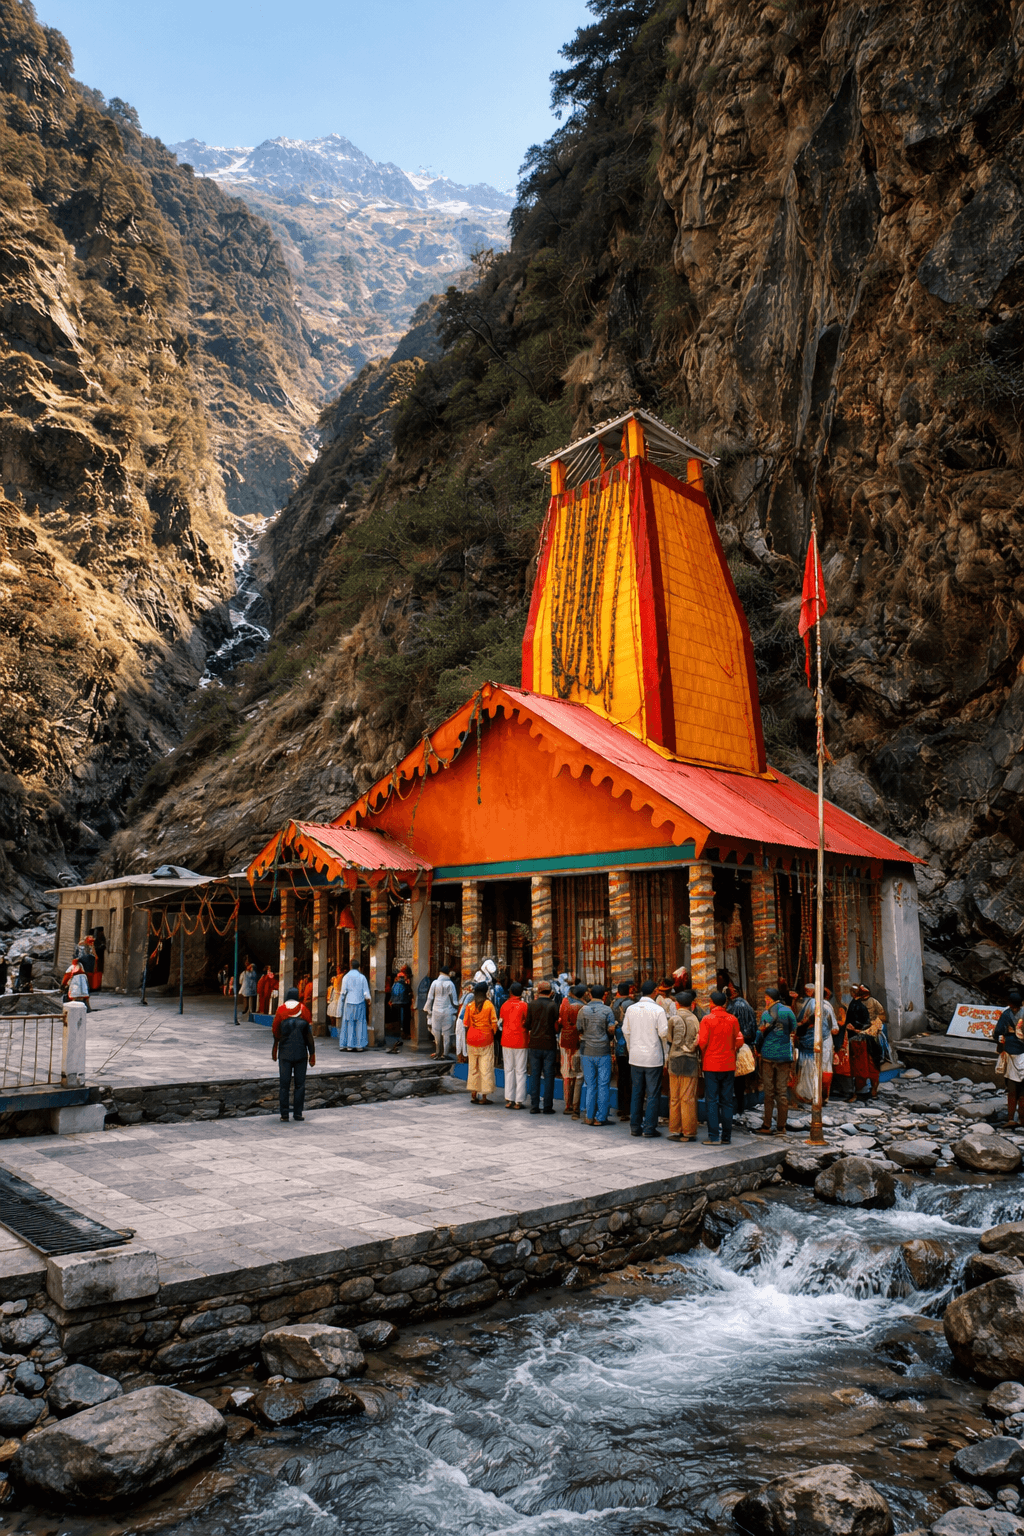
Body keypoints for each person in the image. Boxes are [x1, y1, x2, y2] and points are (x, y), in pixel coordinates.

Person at [698, 989, 745, 1145]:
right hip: (728, 1064)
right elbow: (739, 1040)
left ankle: (713, 1136)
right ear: (725, 1003)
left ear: (711, 1003)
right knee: (727, 1101)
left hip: (711, 1064)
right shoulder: (732, 1019)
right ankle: (726, 1136)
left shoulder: (706, 1019)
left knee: (712, 1100)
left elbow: (702, 1042)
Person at [623, 981, 668, 1138]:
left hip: (635, 1056)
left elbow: (625, 1031)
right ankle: (649, 1128)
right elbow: (664, 1034)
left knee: (637, 1092)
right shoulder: (658, 1010)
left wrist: (631, 1048)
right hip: (652, 1057)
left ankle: (635, 1127)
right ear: (655, 991)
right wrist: (666, 1055)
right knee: (652, 1093)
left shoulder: (631, 1009)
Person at [755, 986, 797, 1135]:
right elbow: (794, 1028)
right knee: (782, 1092)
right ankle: (781, 1127)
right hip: (784, 1055)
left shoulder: (766, 1014)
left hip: (768, 1056)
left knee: (769, 1092)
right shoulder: (788, 1011)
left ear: (768, 999)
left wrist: (757, 1048)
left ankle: (766, 1125)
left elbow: (760, 1034)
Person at [272, 986, 316, 1122]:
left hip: (285, 1053)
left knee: (284, 1085)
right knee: (300, 1085)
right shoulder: (304, 1010)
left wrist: (275, 1048)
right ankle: (298, 1114)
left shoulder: (280, 1010)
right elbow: (309, 1036)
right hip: (301, 1053)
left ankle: (284, 1114)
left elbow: (275, 1031)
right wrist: (312, 1054)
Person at [665, 988, 701, 1141]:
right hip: (690, 1059)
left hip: (675, 1058)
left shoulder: (673, 1019)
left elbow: (670, 1039)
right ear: (691, 1004)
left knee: (674, 1096)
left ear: (677, 1004)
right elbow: (699, 1039)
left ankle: (675, 1129)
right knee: (688, 1097)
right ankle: (688, 1131)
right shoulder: (695, 1019)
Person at [578, 986, 615, 1126]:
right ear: (604, 995)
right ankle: (600, 1118)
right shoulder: (607, 1010)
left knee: (590, 1085)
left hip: (587, 1051)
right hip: (603, 1051)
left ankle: (589, 1116)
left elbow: (579, 1028)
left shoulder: (583, 1010)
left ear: (590, 995)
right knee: (603, 1084)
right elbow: (611, 1030)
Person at [525, 980, 560, 1114]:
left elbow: (528, 1025)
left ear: (538, 991)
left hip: (534, 1044)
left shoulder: (532, 1004)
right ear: (550, 992)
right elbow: (556, 1026)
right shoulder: (553, 1005)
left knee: (534, 1075)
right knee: (549, 1076)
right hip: (549, 1043)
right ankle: (547, 1106)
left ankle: (534, 1106)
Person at [464, 982, 499, 1104]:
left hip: (471, 1038)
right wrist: (492, 1033)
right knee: (486, 1067)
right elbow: (494, 1024)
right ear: (486, 992)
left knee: (473, 1067)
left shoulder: (470, 1005)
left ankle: (473, 1094)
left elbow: (466, 1023)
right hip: (485, 1039)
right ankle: (484, 1097)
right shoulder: (489, 1005)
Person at [994, 988, 1024, 1126]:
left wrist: (999, 1041)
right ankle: (1022, 1119)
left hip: (1011, 1051)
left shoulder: (1006, 1015)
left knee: (1012, 1089)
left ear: (1010, 1004)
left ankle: (1011, 1118)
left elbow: (998, 1032)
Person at [846, 984, 882, 1098]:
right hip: (869, 1037)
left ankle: (860, 1093)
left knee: (862, 1066)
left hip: (861, 1039)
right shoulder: (858, 1004)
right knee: (872, 1065)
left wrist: (855, 1029)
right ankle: (872, 1092)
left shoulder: (858, 1005)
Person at [728, 987, 759, 1115]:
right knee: (741, 1080)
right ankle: (741, 1108)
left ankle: (735, 1109)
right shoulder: (748, 1006)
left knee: (735, 1080)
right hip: (747, 1046)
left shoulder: (733, 1007)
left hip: (738, 1046)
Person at [499, 982, 529, 1108]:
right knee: (521, 1070)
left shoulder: (504, 1005)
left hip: (506, 1040)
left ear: (510, 992)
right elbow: (527, 1023)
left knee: (509, 1070)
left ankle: (509, 1098)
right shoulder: (524, 1006)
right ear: (521, 993)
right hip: (521, 1040)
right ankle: (519, 1100)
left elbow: (500, 1022)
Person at [558, 986, 585, 1117]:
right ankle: (575, 1105)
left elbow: (560, 1021)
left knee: (567, 1073)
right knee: (577, 1073)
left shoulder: (564, 1003)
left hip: (564, 1040)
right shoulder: (582, 1007)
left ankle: (568, 1104)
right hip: (577, 1042)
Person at [425, 966, 458, 1059]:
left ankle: (437, 1052)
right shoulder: (450, 984)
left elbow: (430, 997)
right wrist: (457, 1008)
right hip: (447, 1011)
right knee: (446, 1034)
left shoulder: (434, 983)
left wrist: (428, 1010)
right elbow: (454, 1000)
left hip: (436, 1010)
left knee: (437, 1032)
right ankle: (445, 1054)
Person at [611, 983, 633, 1121]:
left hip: (618, 1044)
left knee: (621, 1076)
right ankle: (628, 1108)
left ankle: (621, 1107)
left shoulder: (613, 1004)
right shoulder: (631, 1004)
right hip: (630, 1045)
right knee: (630, 1077)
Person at [338, 960, 371, 1051]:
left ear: (350, 966)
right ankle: (359, 1045)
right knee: (360, 1023)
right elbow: (366, 991)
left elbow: (343, 992)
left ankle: (348, 1045)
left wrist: (340, 1003)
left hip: (349, 1002)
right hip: (360, 1002)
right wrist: (368, 1000)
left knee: (349, 1023)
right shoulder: (362, 977)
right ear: (358, 967)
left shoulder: (346, 977)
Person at [92, 927, 106, 992]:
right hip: (96, 958)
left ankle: (97, 986)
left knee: (99, 972)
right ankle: (95, 986)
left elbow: (103, 947)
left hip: (100, 958)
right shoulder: (95, 940)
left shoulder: (102, 938)